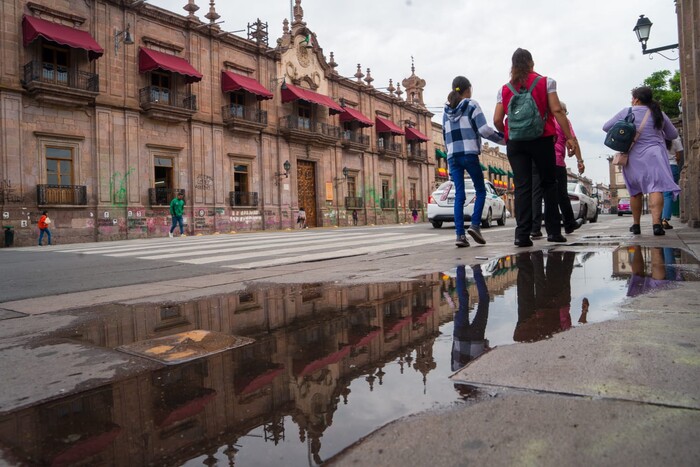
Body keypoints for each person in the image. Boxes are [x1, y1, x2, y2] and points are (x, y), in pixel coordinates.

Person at [494, 48, 577, 247]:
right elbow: (557, 110)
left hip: (516, 142)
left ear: (512, 66)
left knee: (522, 187)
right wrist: (569, 137)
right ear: (532, 63)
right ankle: (554, 232)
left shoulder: (504, 89)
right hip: (542, 139)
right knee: (549, 184)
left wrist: (508, 135)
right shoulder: (546, 82)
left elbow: (497, 119)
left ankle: (522, 235)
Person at [603, 86, 680, 236]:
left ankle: (636, 225)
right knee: (655, 188)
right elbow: (673, 134)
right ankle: (657, 225)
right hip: (655, 156)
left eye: (632, 98)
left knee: (635, 191)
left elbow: (606, 127)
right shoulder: (659, 114)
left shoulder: (627, 112)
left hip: (633, 156)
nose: (631, 101)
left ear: (637, 99)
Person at [443, 75, 505, 248]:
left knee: (459, 196)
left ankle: (460, 235)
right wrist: (504, 139)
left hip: (453, 157)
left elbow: (444, 137)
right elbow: (484, 130)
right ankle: (475, 225)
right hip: (469, 154)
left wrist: (449, 163)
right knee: (480, 190)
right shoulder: (471, 105)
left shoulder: (446, 112)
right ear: (468, 89)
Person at [531, 101, 584, 238]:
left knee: (537, 194)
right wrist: (580, 161)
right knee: (560, 195)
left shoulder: (542, 118)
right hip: (556, 161)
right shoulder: (563, 121)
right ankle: (568, 224)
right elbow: (573, 140)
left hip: (537, 160)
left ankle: (535, 228)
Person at [452, 264, 490, 371]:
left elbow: (484, 357)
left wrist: (485, 346)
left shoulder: (475, 376)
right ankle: (460, 267)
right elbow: (453, 352)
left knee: (484, 301)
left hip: (476, 340)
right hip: (459, 336)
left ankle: (476, 269)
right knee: (463, 299)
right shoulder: (455, 371)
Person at [661, 136, 683, 230]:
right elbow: (678, 156)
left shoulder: (659, 137)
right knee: (669, 194)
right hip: (672, 166)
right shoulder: (676, 137)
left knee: (660, 193)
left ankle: (658, 218)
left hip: (661, 167)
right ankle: (665, 219)